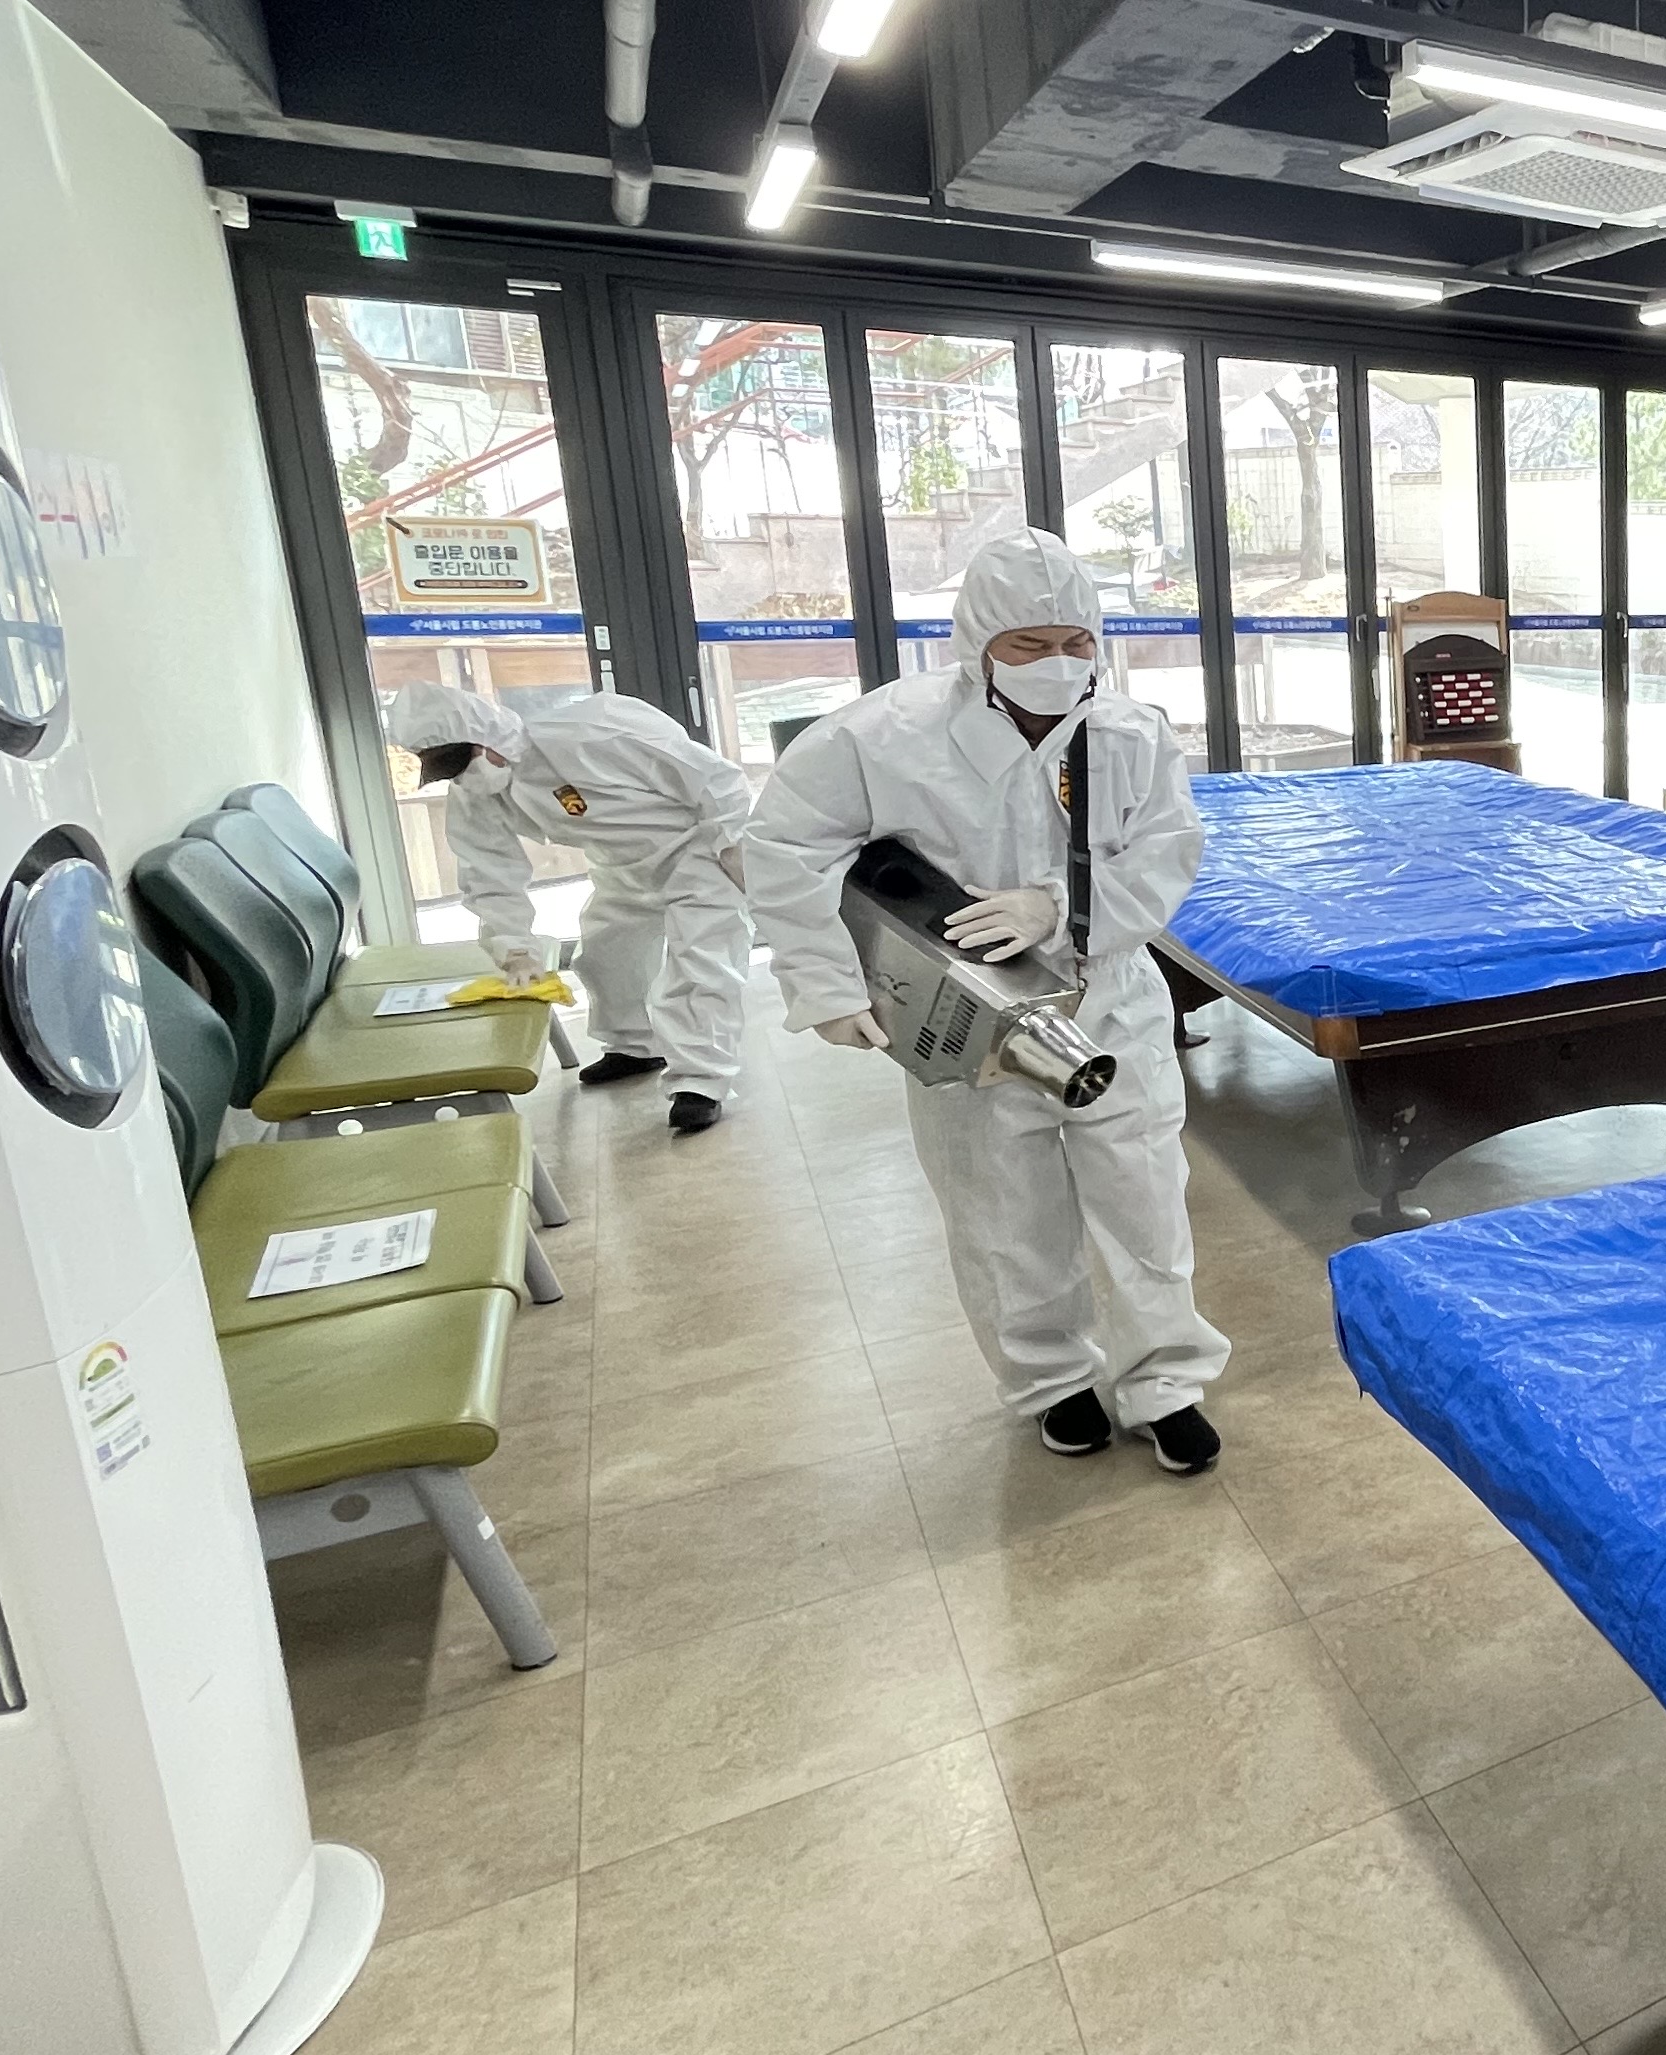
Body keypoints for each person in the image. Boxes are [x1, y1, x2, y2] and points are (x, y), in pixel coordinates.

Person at [743, 529, 1228, 1468]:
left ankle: (1166, 1381)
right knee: (1004, 1207)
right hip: (966, 1009)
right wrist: (825, 982)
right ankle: (1051, 1379)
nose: (1058, 663)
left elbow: (1169, 852)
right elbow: (785, 845)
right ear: (977, 645)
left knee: (1144, 1196)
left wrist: (1057, 907)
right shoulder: (882, 736)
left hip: (1108, 995)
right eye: (1029, 645)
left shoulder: (1131, 734)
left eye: (1075, 642)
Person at [382, 678, 754, 1135]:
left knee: (701, 966)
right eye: (449, 770)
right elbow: (489, 872)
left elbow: (716, 778)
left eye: (464, 761)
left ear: (487, 735)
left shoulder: (594, 733)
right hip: (620, 867)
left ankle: (702, 1083)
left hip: (697, 854)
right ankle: (636, 1046)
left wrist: (731, 841)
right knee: (605, 957)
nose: (463, 777)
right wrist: (516, 948)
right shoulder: (477, 795)